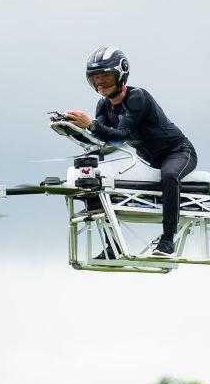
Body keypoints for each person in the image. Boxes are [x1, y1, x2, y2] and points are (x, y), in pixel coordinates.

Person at [66, 46, 197, 257]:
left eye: (106, 77)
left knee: (169, 175)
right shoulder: (103, 106)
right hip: (147, 161)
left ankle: (167, 241)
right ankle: (112, 246)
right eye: (95, 78)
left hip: (178, 153)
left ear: (121, 75)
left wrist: (90, 125)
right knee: (94, 177)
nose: (100, 84)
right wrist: (71, 129)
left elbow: (121, 135)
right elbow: (101, 139)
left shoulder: (137, 97)